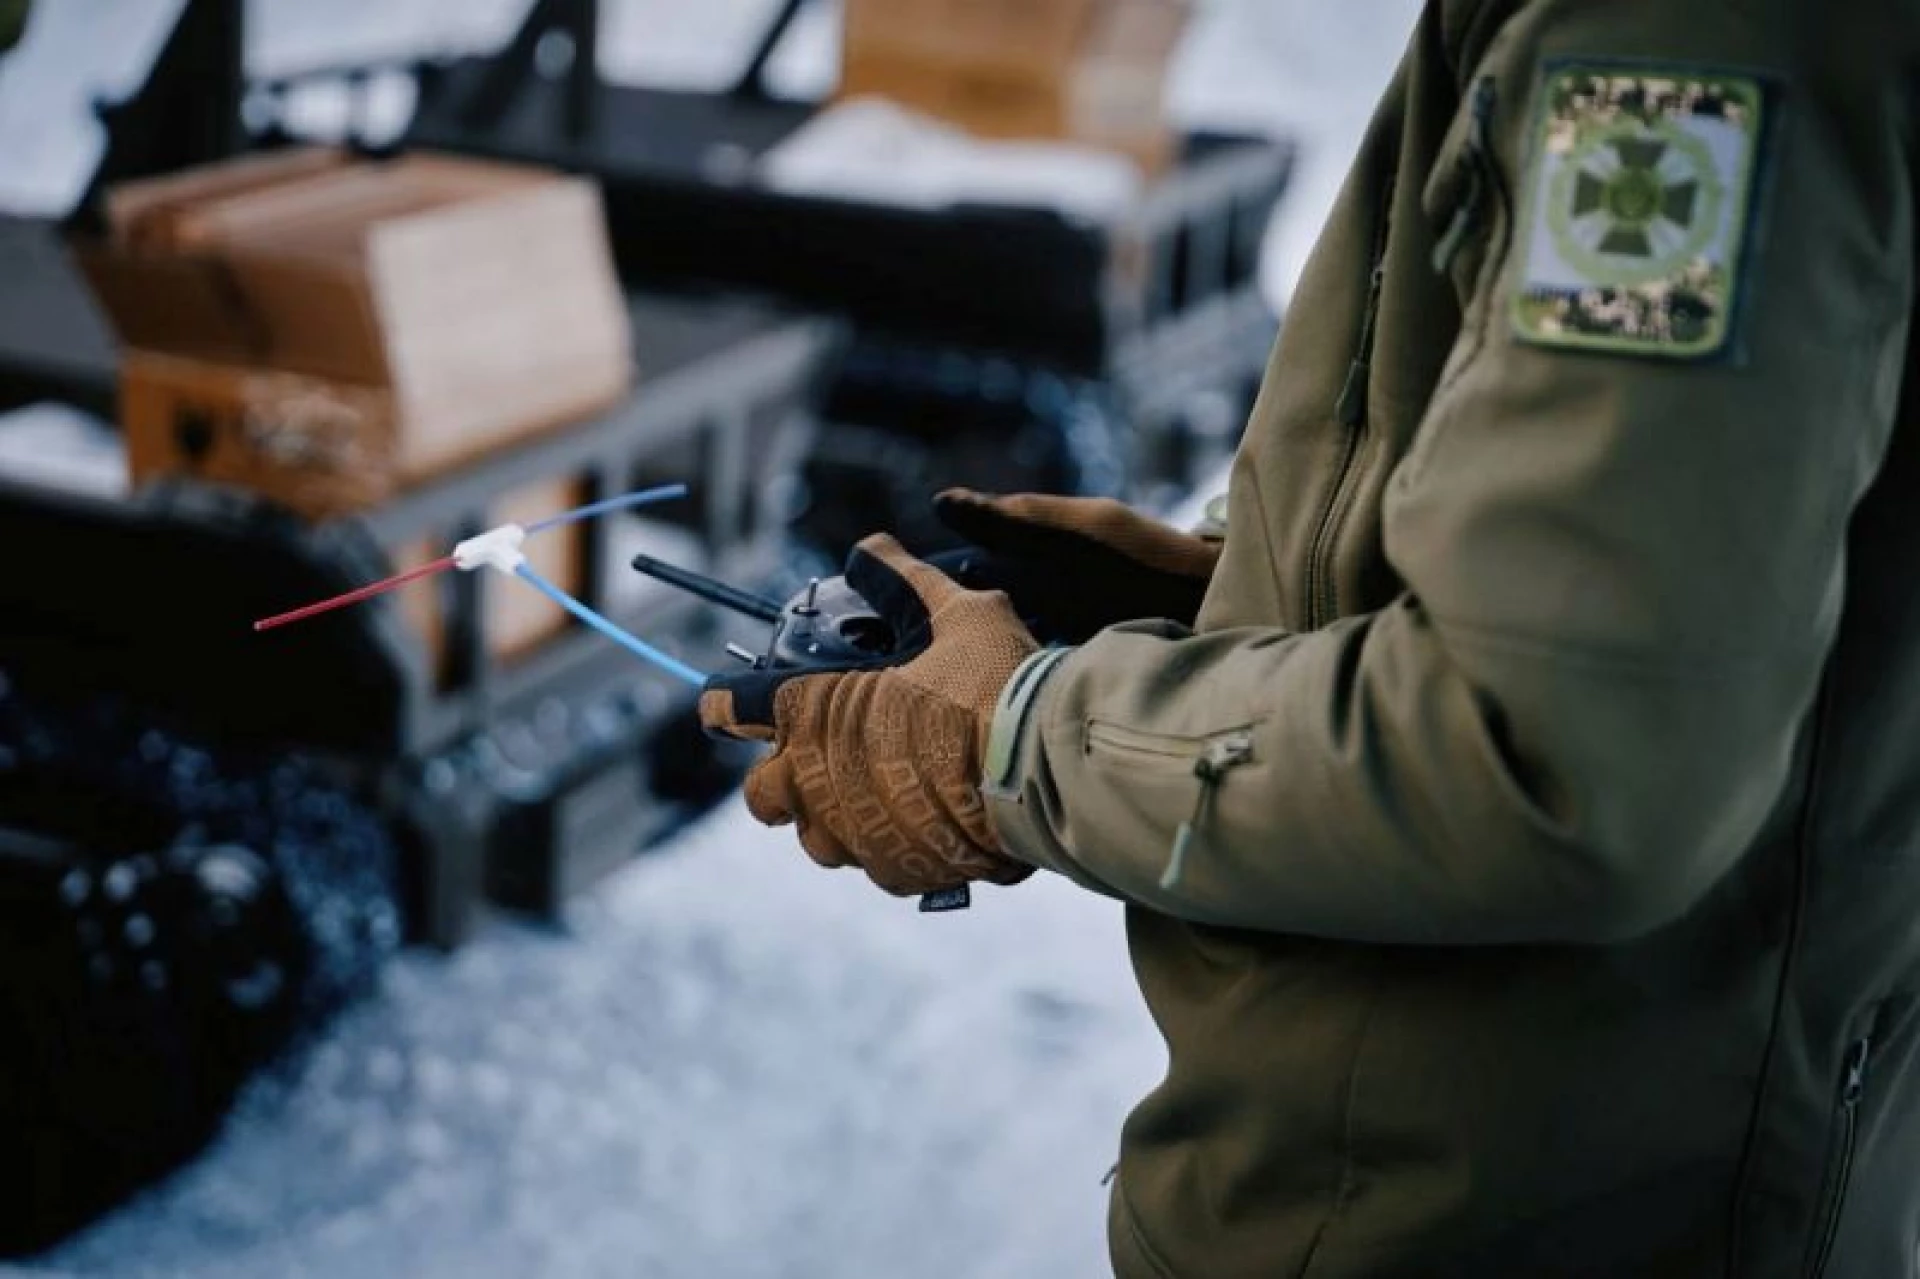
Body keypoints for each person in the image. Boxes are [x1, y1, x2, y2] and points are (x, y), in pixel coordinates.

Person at [702, 0, 1920, 1273]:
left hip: (1492, 1215)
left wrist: (1015, 730)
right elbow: (1695, 566)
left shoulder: (1674, 32)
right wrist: (1240, 596)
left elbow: (1556, 754)